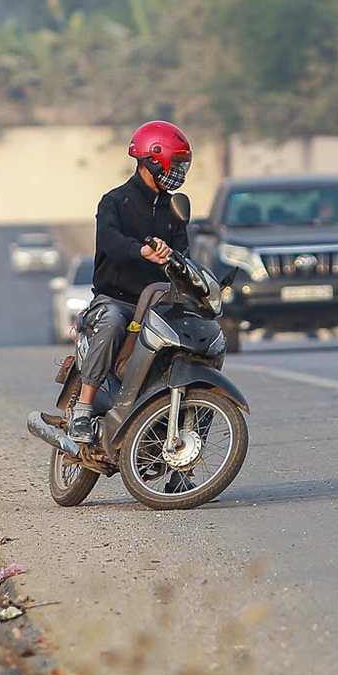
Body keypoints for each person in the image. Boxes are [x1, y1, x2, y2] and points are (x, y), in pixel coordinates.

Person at [69, 120, 193, 445]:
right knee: (110, 322)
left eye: (183, 165)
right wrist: (142, 251)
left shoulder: (174, 208)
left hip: (158, 305)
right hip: (117, 301)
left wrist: (173, 258)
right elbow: (109, 240)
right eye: (176, 164)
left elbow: (184, 253)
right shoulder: (114, 201)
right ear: (153, 159)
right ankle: (83, 408)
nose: (181, 172)